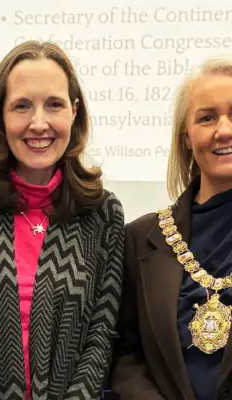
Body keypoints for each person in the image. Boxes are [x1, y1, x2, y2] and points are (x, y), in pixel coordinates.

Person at [0, 40, 124, 400]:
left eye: (54, 104)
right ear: (0, 117)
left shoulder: (104, 214)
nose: (39, 123)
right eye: (22, 106)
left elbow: (100, 338)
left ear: (74, 112)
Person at [111, 56, 232, 400]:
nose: (223, 130)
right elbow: (127, 355)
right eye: (207, 117)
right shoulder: (139, 239)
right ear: (187, 137)